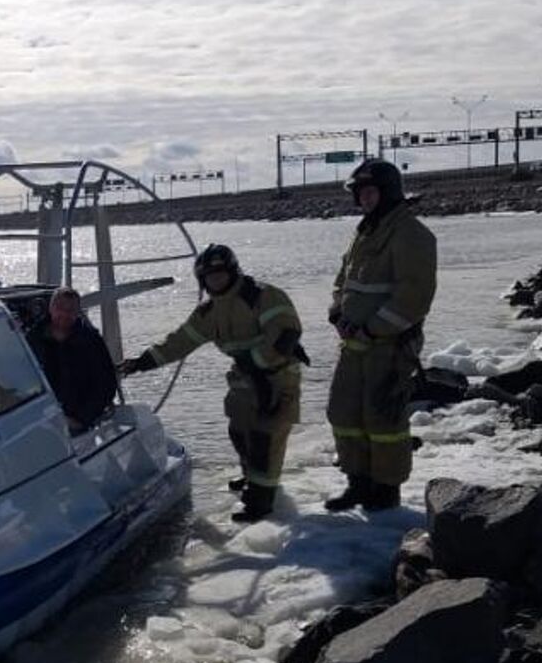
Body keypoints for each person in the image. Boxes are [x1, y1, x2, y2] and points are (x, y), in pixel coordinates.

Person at [118, 244, 306, 523]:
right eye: (209, 276)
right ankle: (252, 477)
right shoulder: (208, 313)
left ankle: (262, 501)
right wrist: (140, 362)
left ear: (232, 272)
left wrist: (256, 363)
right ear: (202, 280)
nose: (215, 280)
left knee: (265, 436)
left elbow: (286, 334)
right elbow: (179, 342)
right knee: (239, 431)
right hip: (244, 378)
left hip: (278, 376)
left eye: (220, 274)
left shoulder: (262, 296)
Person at [324, 158, 437, 512]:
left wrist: (374, 328)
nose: (365, 199)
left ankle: (386, 490)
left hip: (389, 348)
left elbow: (413, 297)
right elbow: (345, 279)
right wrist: (337, 311)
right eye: (360, 194)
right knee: (342, 413)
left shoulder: (412, 234)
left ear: (387, 192)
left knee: (383, 420)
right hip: (354, 346)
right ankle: (358, 481)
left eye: (370, 192)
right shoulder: (366, 232)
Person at [28, 286, 118, 433]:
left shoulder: (91, 341)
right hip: (38, 425)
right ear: (51, 308)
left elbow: (106, 385)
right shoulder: (32, 340)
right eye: (60, 307)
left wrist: (82, 419)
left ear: (78, 312)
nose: (64, 313)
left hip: (79, 426)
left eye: (71, 309)